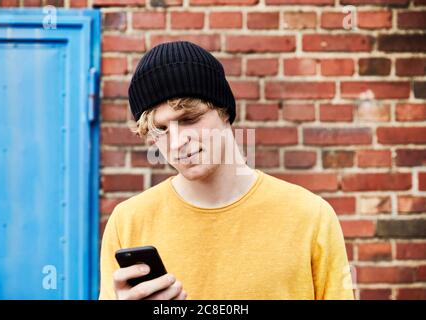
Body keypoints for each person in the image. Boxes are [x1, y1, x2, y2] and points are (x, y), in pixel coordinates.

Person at [99, 41, 354, 300]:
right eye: (160, 129)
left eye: (189, 120)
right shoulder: (128, 221)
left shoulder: (310, 216)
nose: (176, 143)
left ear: (224, 113)